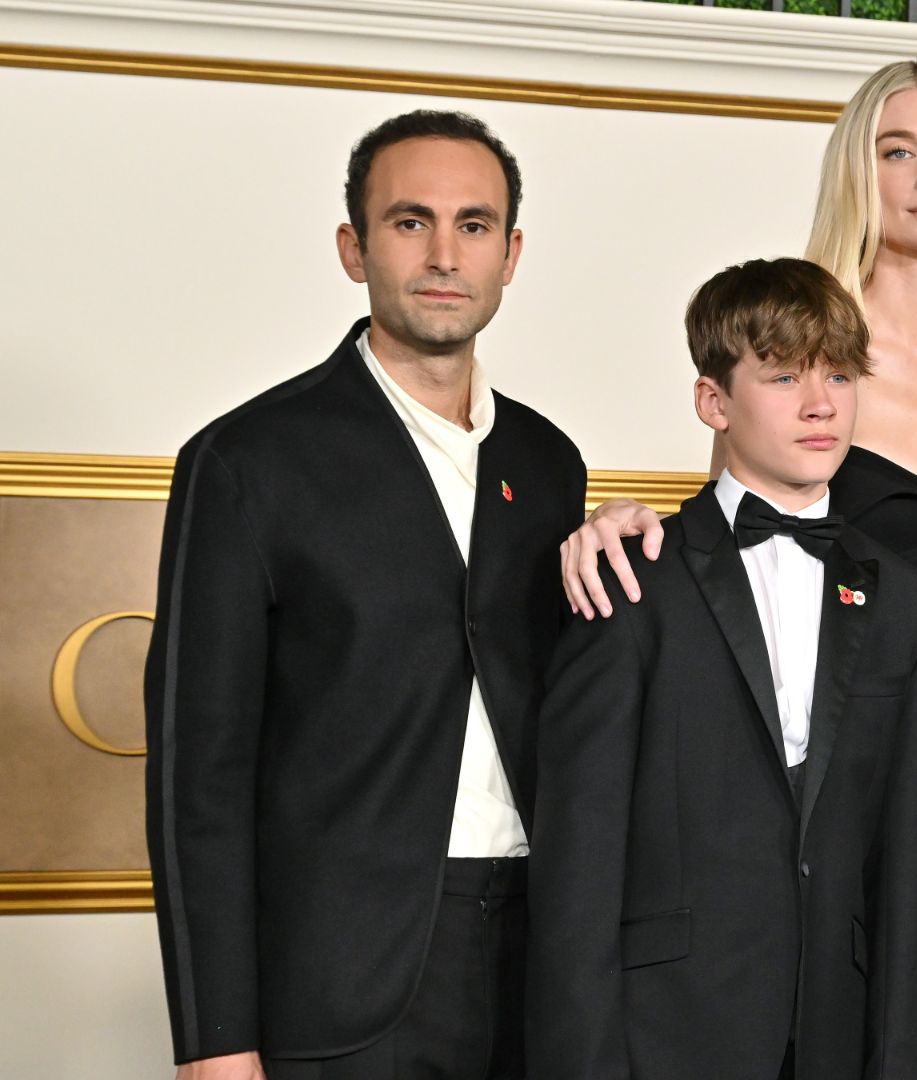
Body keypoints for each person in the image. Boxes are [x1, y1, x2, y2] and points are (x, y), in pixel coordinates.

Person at [558, 59, 917, 1075]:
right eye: (899, 150)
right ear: (859, 172)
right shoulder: (798, 345)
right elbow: (731, 539)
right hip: (833, 777)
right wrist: (611, 524)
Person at [143, 110, 585, 1080]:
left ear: (510, 255)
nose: (444, 255)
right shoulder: (247, 461)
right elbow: (197, 777)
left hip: (541, 973)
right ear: (355, 248)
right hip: (338, 987)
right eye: (409, 221)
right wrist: (216, 1040)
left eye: (474, 225)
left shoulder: (549, 463)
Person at [526, 257, 917, 1079]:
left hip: (836, 1032)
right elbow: (578, 862)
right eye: (783, 376)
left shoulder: (904, 596)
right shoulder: (632, 580)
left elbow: (908, 858)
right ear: (713, 402)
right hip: (666, 1036)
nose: (821, 404)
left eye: (838, 374)